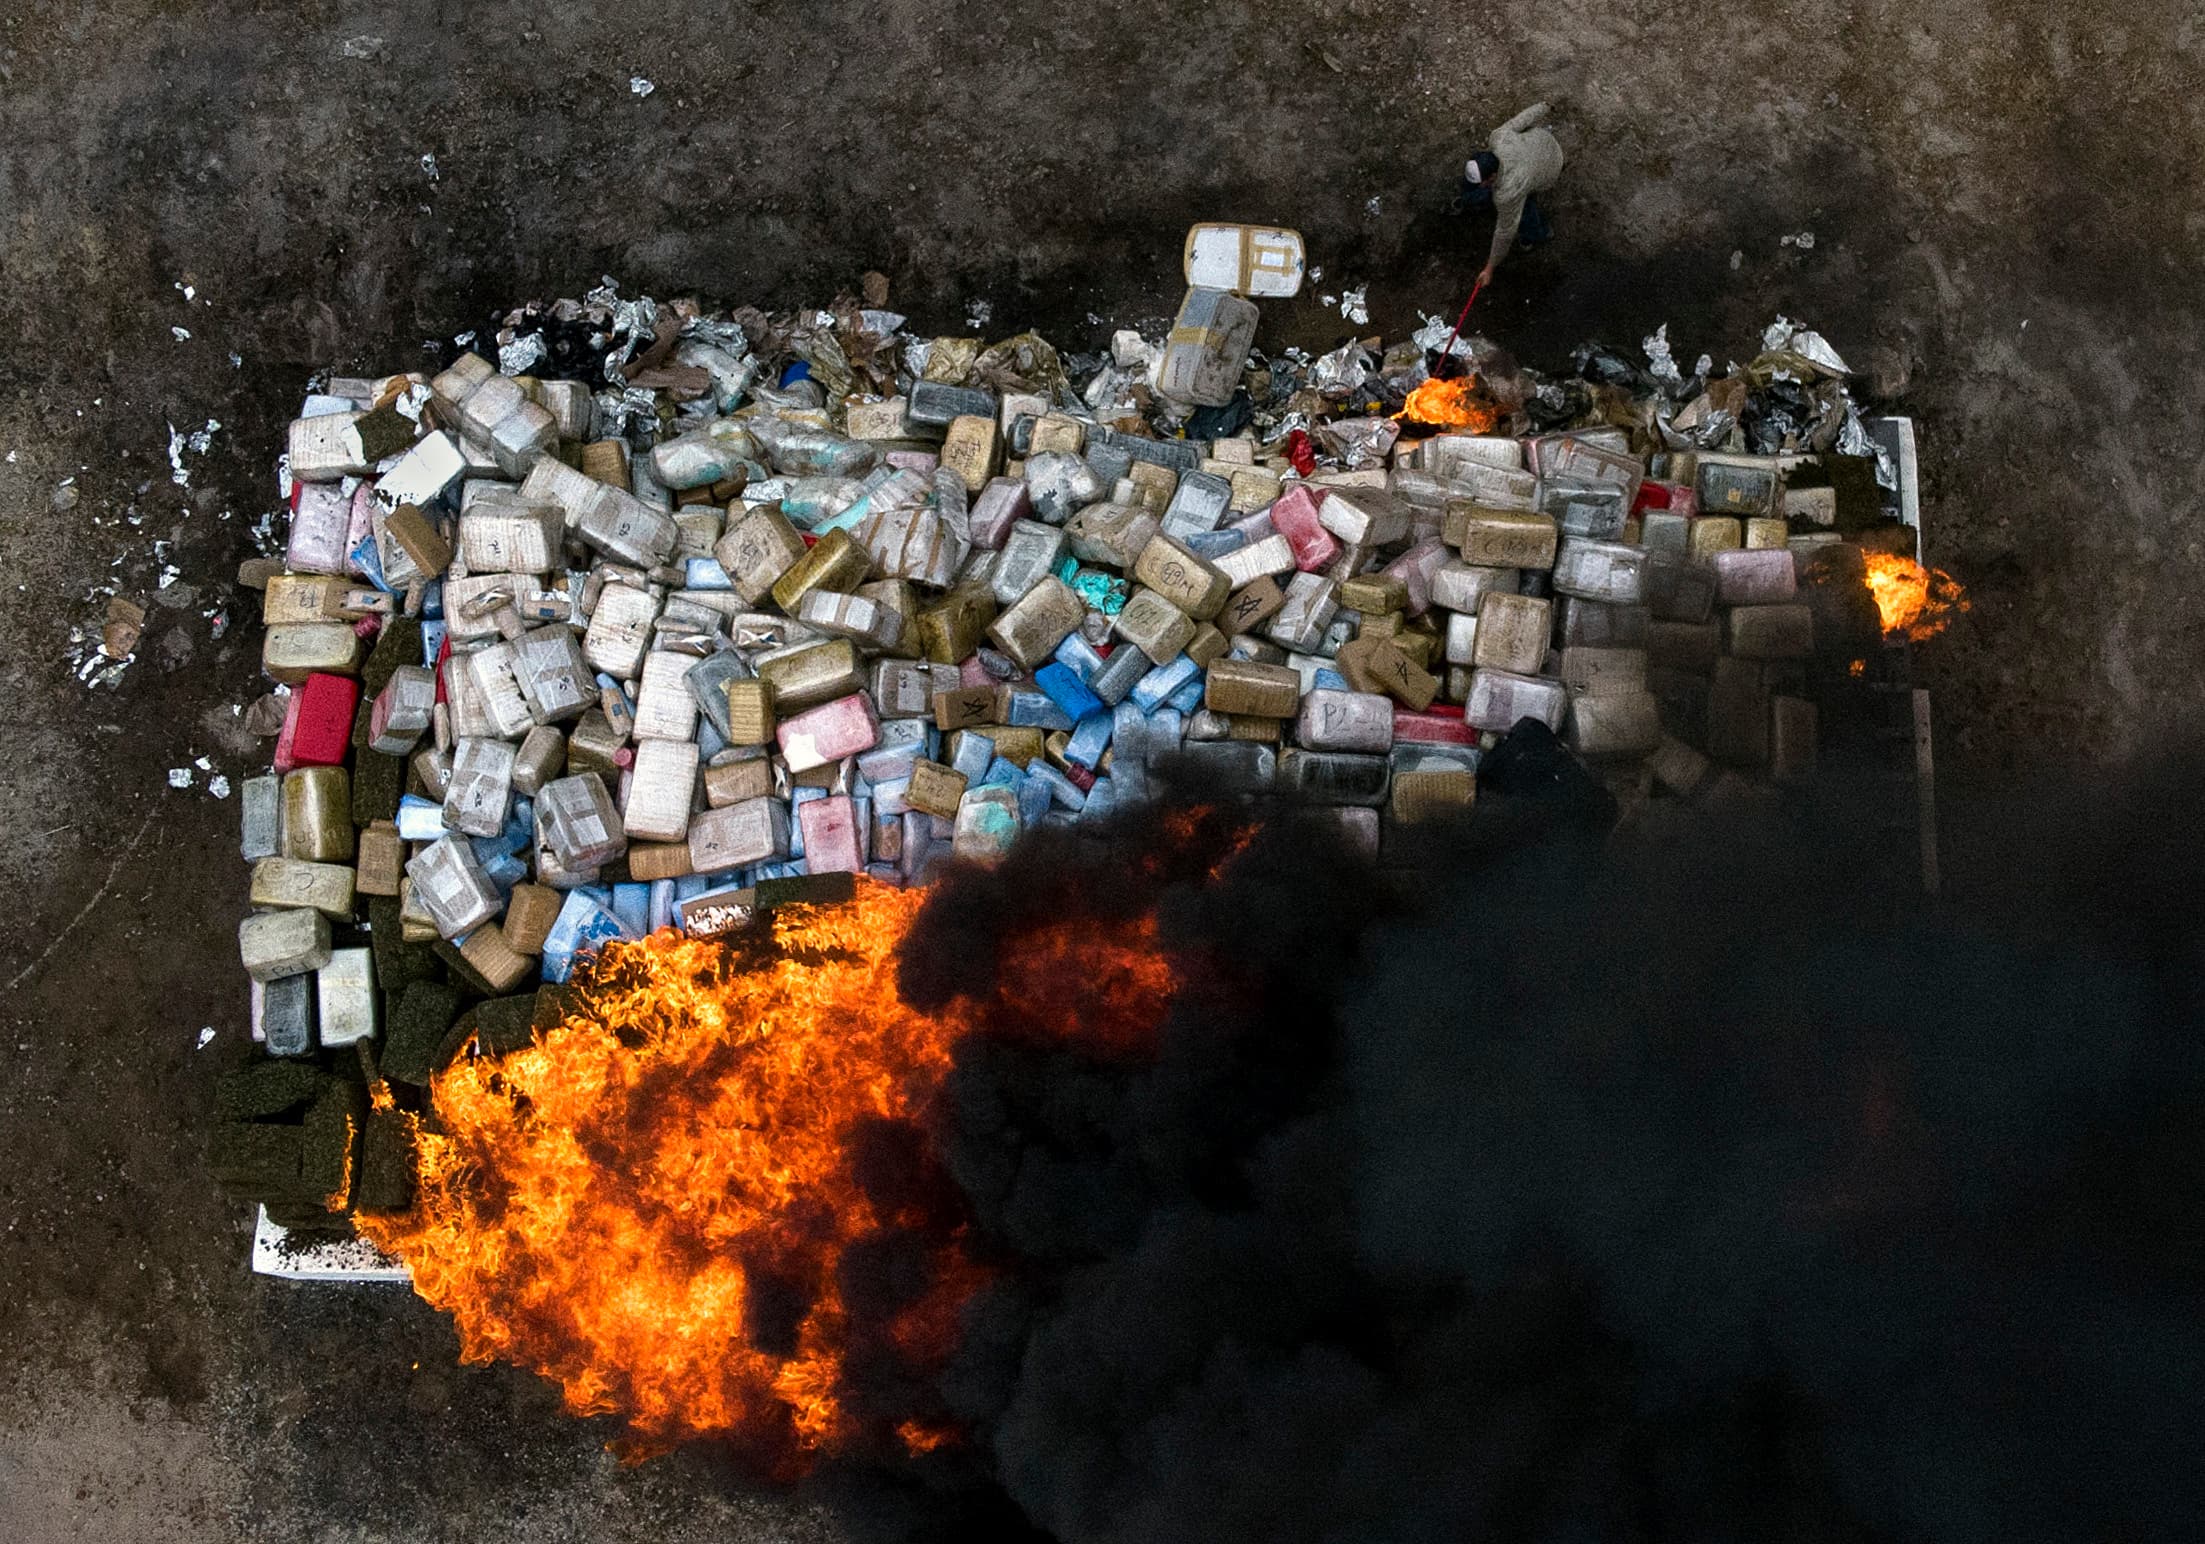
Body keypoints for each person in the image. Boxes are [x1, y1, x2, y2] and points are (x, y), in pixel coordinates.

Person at [1459, 102, 1565, 288]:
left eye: (1481, 183)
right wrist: (1545, 106)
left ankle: (1538, 234)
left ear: (1491, 177)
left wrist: (1490, 268)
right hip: (1543, 141)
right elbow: (1523, 119)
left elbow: (1505, 231)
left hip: (1550, 167)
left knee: (1524, 212)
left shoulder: (1509, 191)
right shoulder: (1499, 137)